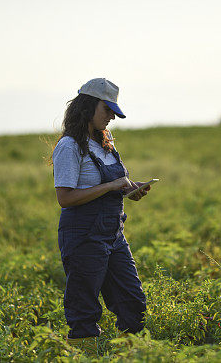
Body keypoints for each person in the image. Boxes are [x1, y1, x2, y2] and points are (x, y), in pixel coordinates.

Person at [51, 78, 150, 355]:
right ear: (87, 107)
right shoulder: (70, 146)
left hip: (113, 235)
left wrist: (131, 188)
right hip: (83, 236)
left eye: (113, 112)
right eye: (106, 110)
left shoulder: (105, 142)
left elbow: (114, 185)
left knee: (133, 303)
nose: (110, 117)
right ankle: (85, 358)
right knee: (84, 311)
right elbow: (65, 198)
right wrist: (112, 186)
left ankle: (131, 357)